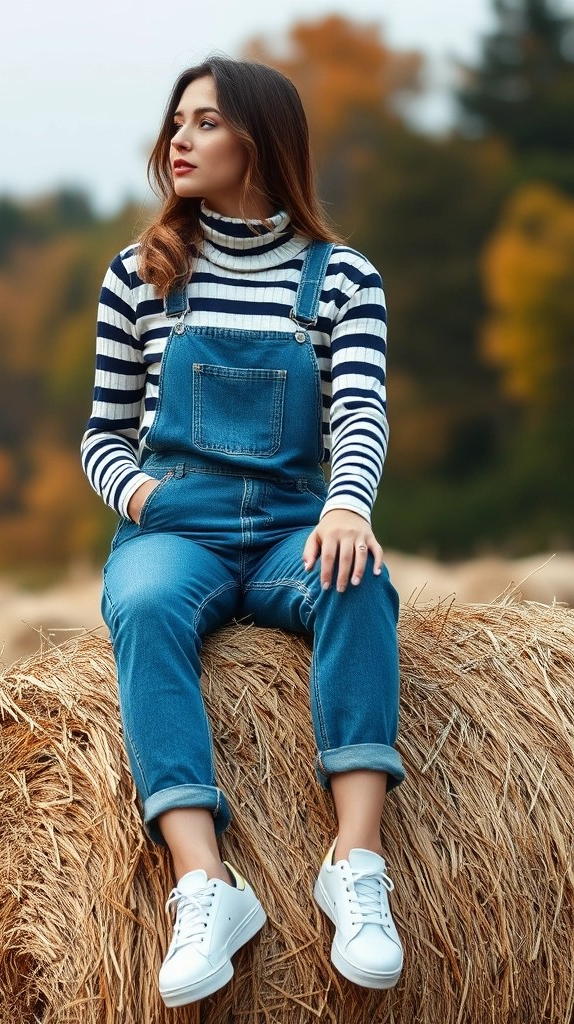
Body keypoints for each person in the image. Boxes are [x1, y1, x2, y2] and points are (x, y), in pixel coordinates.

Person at [81, 54, 405, 1007]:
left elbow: (359, 411)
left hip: (293, 522)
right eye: (177, 122)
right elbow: (104, 429)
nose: (179, 139)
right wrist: (141, 502)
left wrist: (349, 506)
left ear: (261, 142)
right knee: (140, 605)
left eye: (206, 122)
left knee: (359, 586)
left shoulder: (343, 279)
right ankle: (203, 883)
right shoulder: (141, 276)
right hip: (175, 519)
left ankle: (357, 866)